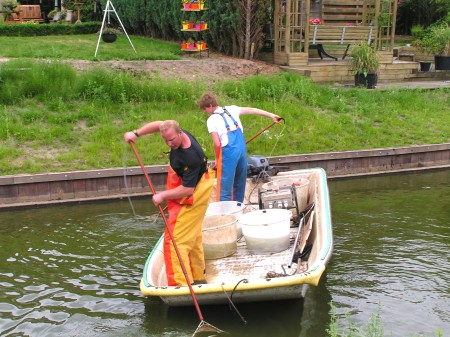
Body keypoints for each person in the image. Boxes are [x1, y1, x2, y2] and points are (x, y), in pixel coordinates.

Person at [124, 120, 214, 286]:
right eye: (165, 140)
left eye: (172, 140)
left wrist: (162, 195)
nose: (169, 143)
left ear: (180, 133)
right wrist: (136, 133)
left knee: (175, 240)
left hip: (195, 192)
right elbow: (158, 124)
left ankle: (181, 284)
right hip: (188, 180)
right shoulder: (172, 129)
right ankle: (198, 276)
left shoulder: (191, 156)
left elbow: (187, 189)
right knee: (192, 235)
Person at [198, 92, 281, 203]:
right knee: (239, 183)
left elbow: (217, 143)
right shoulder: (232, 109)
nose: (205, 112)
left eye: (205, 109)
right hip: (241, 151)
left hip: (228, 154)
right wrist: (271, 115)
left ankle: (225, 215)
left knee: (225, 187)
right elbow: (252, 110)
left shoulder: (212, 120)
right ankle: (238, 208)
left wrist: (218, 159)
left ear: (210, 106)